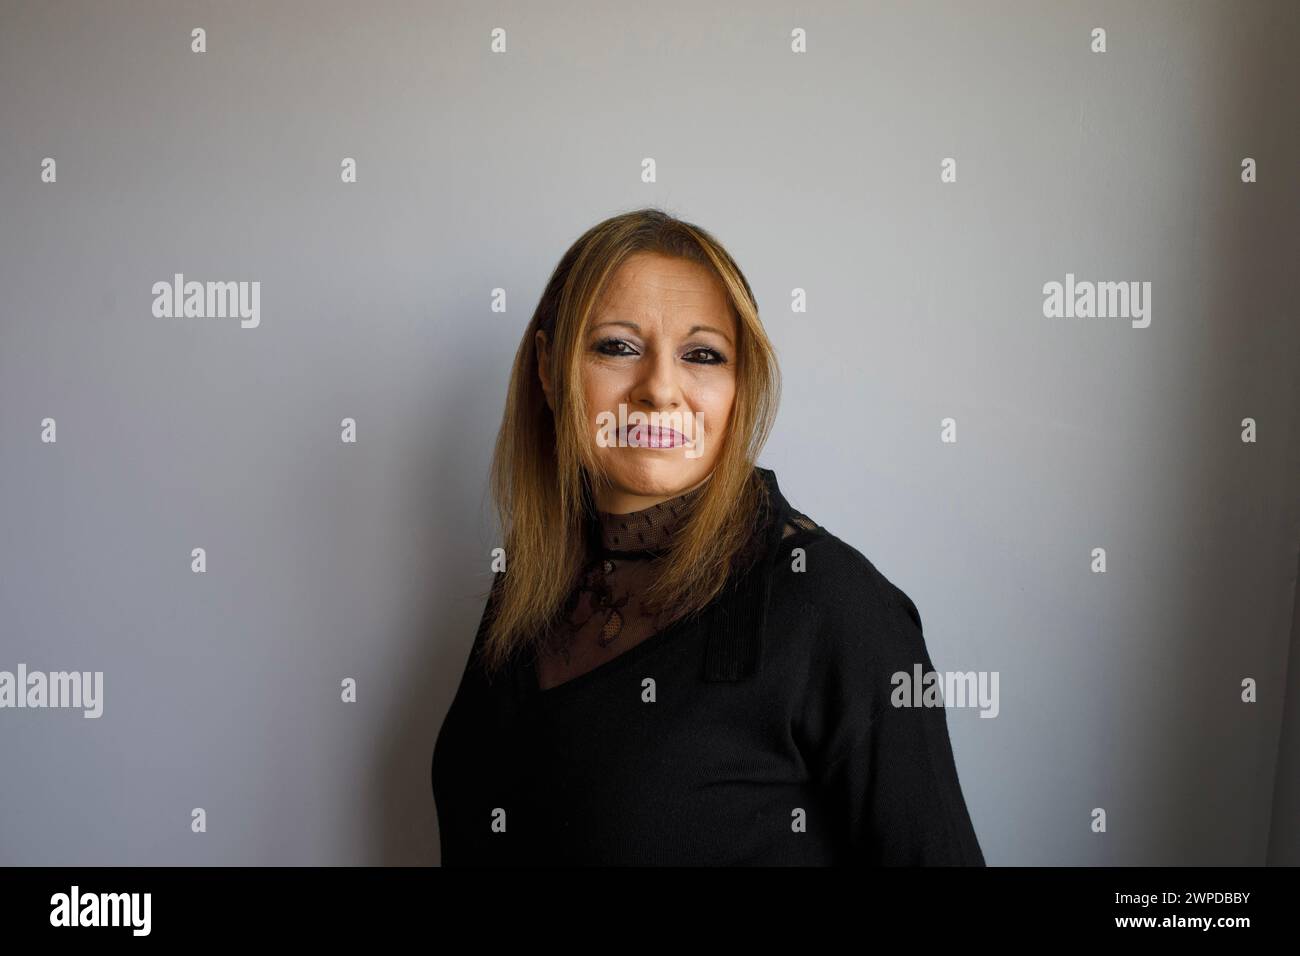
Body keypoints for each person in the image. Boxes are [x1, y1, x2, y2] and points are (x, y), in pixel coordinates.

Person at [431, 207, 985, 865]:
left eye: (702, 355)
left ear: (738, 387)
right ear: (549, 372)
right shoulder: (529, 578)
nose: (661, 390)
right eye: (617, 346)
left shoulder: (833, 608)